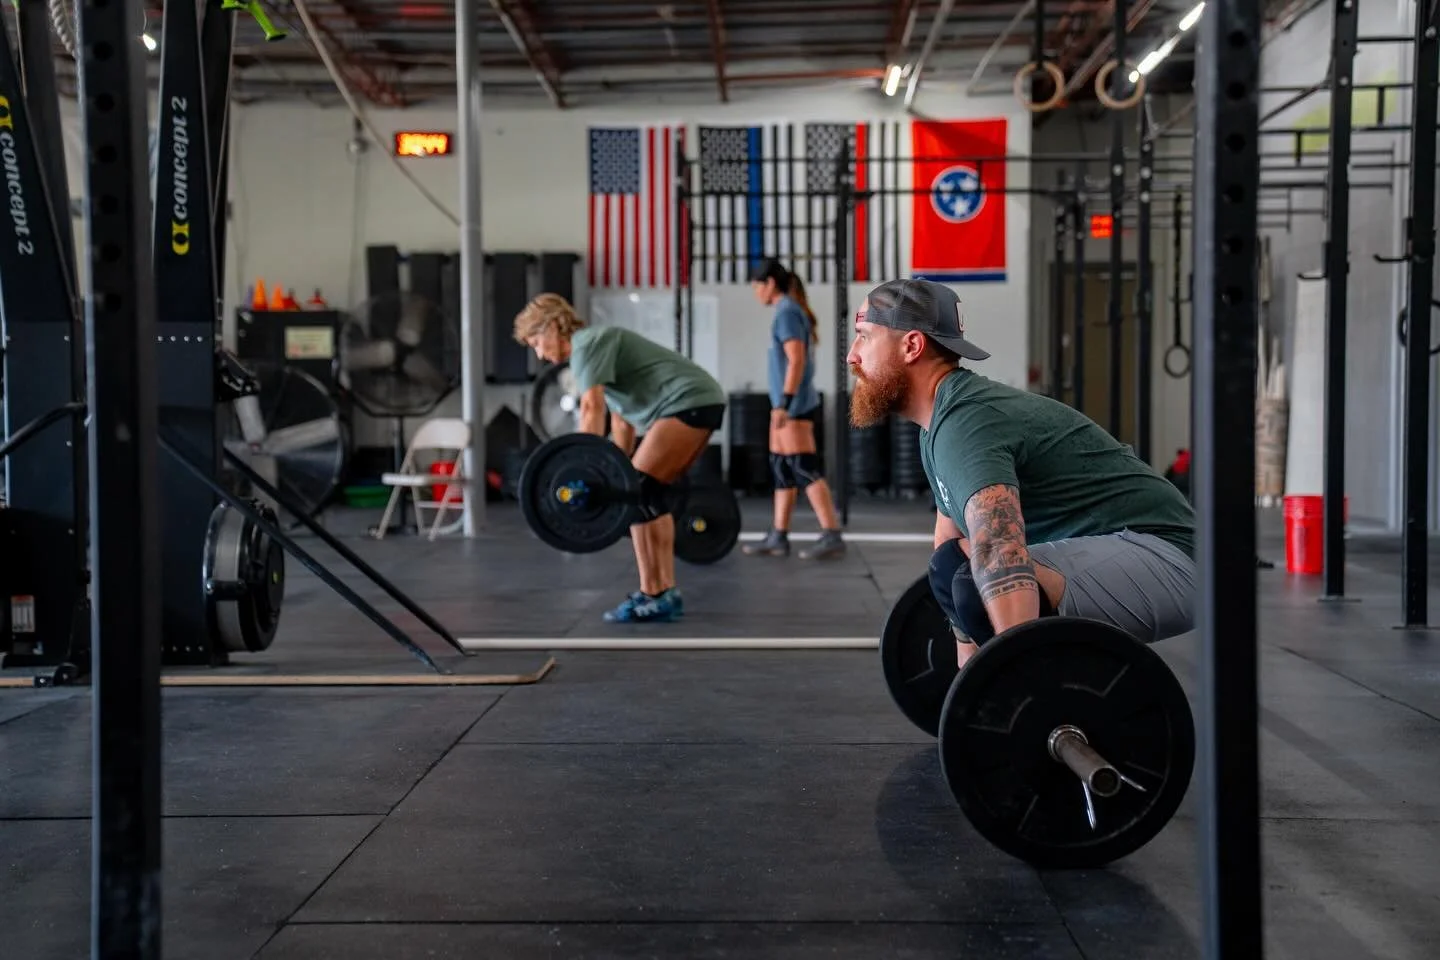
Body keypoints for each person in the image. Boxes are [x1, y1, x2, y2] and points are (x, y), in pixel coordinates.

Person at [846, 278, 1196, 668]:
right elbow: (948, 549)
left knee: (983, 580)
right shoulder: (939, 424)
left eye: (863, 337)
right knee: (956, 568)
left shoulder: (967, 422)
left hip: (1171, 560)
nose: (851, 356)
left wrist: (1015, 685)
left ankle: (1047, 691)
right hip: (1127, 553)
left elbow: (1000, 551)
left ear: (912, 345)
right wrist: (967, 679)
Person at [514, 293, 727, 623]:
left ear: (555, 326)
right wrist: (618, 469)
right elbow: (620, 420)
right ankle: (665, 593)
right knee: (647, 495)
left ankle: (653, 594)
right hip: (701, 400)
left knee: (636, 497)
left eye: (538, 342)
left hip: (685, 402)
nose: (540, 354)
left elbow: (591, 409)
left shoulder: (585, 344)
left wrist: (582, 467)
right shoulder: (598, 349)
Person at [741, 258, 846, 560]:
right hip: (785, 405)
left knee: (803, 466)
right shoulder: (786, 311)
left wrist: (784, 404)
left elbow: (796, 360)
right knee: (781, 466)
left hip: (793, 406)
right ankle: (778, 535)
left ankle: (831, 533)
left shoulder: (787, 312)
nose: (756, 293)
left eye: (756, 286)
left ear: (769, 284)